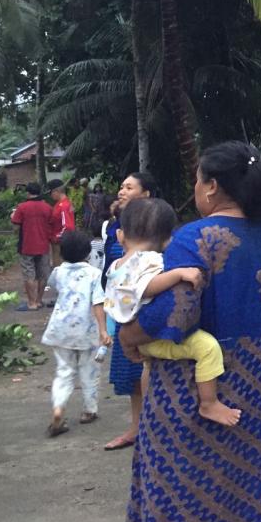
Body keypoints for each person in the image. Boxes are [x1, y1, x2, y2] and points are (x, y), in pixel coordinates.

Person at [120, 141, 261, 522]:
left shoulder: (195, 238)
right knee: (259, 489)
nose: (195, 188)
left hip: (192, 397)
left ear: (211, 186)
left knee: (187, 494)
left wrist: (129, 337)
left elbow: (175, 311)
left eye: (197, 180)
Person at [105, 198, 240, 426]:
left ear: (120, 235)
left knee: (149, 368)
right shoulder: (150, 260)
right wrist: (178, 274)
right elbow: (144, 287)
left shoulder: (117, 265)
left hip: (135, 333)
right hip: (151, 335)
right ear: (168, 240)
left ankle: (150, 408)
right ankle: (209, 403)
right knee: (207, 348)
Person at [102, 172, 156, 452]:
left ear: (146, 194)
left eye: (129, 187)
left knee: (149, 367)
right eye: (121, 186)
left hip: (143, 306)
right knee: (130, 373)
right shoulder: (116, 223)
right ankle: (136, 427)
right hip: (120, 306)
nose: (121, 191)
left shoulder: (154, 221)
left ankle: (151, 426)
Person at [42, 230, 111, 437]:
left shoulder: (58, 272)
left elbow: (53, 286)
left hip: (61, 329)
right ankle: (89, 410)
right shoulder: (94, 274)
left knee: (64, 372)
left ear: (62, 253)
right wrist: (103, 330)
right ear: (88, 253)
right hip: (87, 330)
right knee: (89, 371)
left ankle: (58, 408)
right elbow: (97, 303)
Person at [11, 182, 55, 311]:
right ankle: (39, 300)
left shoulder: (22, 207)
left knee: (28, 274)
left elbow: (16, 223)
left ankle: (31, 303)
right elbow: (51, 223)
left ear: (28, 193)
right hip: (43, 245)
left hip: (27, 245)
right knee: (42, 275)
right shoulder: (47, 207)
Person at [48, 179, 75, 267]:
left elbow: (67, 226)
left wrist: (56, 238)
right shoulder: (62, 204)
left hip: (60, 242)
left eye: (51, 192)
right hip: (59, 240)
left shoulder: (63, 206)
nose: (50, 195)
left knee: (59, 265)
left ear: (56, 191)